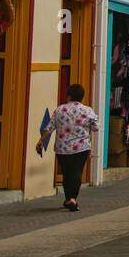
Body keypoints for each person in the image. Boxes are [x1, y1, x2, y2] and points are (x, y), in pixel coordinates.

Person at [36, 83, 99, 212]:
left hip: (62, 148)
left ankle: (68, 198)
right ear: (82, 97)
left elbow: (49, 128)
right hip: (81, 147)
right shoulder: (87, 110)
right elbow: (96, 128)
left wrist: (40, 141)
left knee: (66, 172)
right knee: (77, 172)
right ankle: (72, 199)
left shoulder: (59, 110)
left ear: (69, 96)